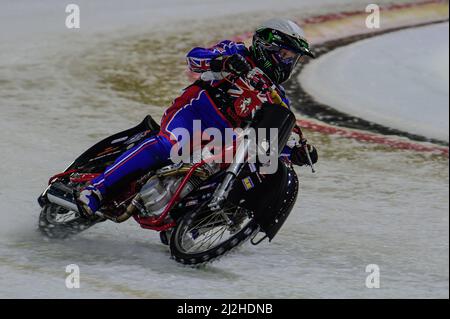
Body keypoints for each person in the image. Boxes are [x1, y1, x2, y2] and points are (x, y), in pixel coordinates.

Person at [78, 18, 318, 217]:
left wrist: (296, 151)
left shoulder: (277, 97)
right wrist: (222, 62)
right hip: (195, 113)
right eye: (287, 55)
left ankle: (184, 220)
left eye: (294, 59)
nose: (290, 63)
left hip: (223, 137)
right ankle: (97, 189)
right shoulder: (237, 52)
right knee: (168, 146)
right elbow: (194, 58)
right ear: (268, 46)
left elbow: (279, 133)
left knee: (216, 173)